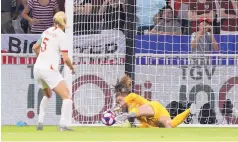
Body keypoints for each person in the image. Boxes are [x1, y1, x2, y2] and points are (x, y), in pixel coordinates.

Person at [33, 11, 75, 131]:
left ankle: (40, 121)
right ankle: (62, 124)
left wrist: (41, 58)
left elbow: (35, 47)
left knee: (47, 94)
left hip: (37, 68)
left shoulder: (47, 31)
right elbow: (66, 59)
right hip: (49, 70)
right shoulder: (62, 36)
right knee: (67, 97)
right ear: (64, 22)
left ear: (54, 21)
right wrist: (72, 68)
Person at [114, 75, 195, 128]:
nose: (119, 103)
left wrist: (124, 102)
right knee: (170, 124)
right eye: (118, 102)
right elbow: (145, 125)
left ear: (123, 94)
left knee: (135, 111)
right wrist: (135, 127)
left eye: (119, 100)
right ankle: (189, 110)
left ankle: (128, 115)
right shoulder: (130, 106)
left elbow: (133, 96)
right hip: (154, 120)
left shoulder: (131, 97)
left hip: (154, 108)